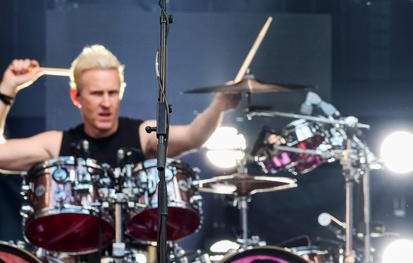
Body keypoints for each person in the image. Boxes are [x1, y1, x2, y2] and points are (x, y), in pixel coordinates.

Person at [0, 44, 240, 171]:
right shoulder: (57, 143)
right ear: (77, 97)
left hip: (135, 254)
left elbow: (192, 137)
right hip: (75, 255)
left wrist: (219, 105)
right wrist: (7, 88)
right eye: (96, 93)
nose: (106, 102)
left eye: (112, 93)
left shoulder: (142, 134)